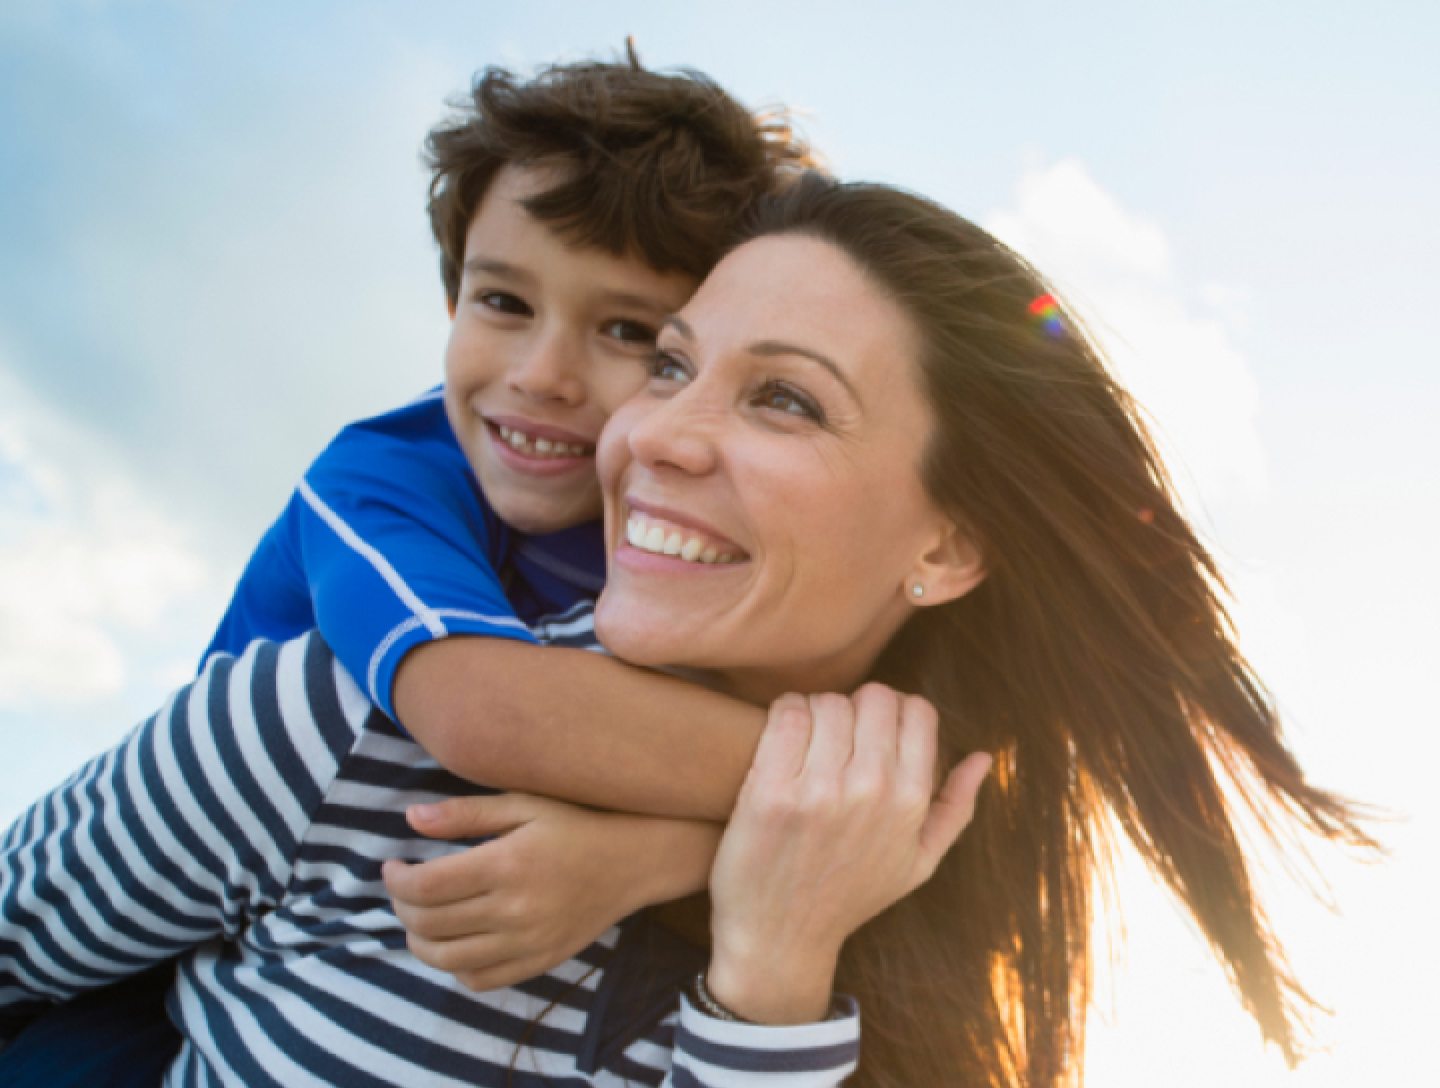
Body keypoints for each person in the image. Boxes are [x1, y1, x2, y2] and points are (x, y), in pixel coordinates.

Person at [0, 174, 1373, 1086]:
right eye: (673, 365)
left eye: (784, 401)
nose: (654, 435)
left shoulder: (944, 934)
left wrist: (771, 980)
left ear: (950, 546)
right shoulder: (337, 727)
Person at [0, 47, 814, 1085]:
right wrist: (829, 800)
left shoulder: (675, 538)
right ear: (451, 297)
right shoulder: (382, 477)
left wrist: (658, 856)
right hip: (164, 960)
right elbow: (484, 713)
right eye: (503, 303)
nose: (541, 376)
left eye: (625, 329)